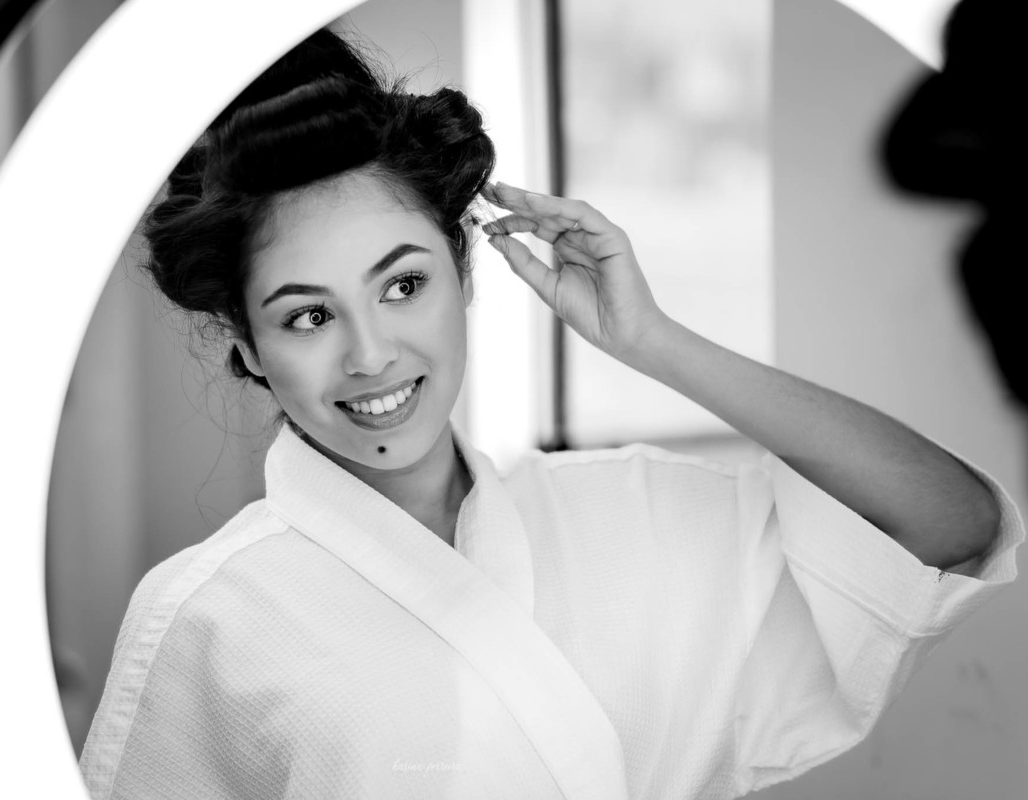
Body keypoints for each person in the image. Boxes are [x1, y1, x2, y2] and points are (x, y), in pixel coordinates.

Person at [78, 26, 1023, 800]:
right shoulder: (207, 617)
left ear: (463, 273)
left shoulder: (630, 515)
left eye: (403, 285)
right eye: (309, 316)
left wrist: (653, 342)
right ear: (247, 345)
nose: (370, 355)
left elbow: (952, 526)